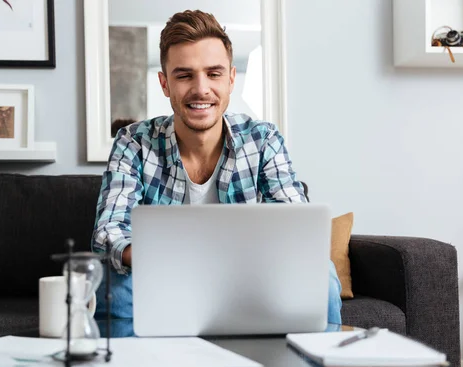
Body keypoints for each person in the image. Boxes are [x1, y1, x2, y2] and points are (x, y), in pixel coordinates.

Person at [92, 10, 342, 324]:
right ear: (165, 83)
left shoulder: (263, 139)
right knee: (108, 286)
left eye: (213, 74)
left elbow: (297, 231)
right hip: (163, 276)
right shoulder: (133, 142)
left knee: (322, 278)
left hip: (249, 279)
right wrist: (143, 255)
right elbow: (108, 232)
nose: (201, 89)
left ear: (231, 79)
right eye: (184, 75)